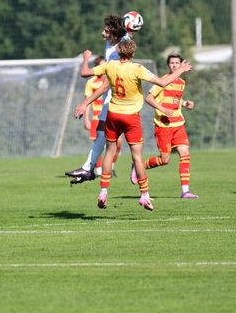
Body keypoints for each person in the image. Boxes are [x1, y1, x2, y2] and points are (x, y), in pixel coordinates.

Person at [75, 40, 192, 210]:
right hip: (131, 117)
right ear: (133, 53)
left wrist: (86, 57)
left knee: (109, 152)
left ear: (119, 52)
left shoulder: (110, 65)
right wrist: (181, 69)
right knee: (137, 157)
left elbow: (84, 73)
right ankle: (144, 195)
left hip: (113, 115)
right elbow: (162, 82)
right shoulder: (137, 68)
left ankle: (103, 192)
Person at [65, 14, 129, 184]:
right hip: (112, 98)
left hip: (115, 99)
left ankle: (135, 167)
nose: (103, 33)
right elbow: (124, 33)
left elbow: (101, 83)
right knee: (103, 135)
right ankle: (89, 168)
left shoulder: (116, 55)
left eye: (106, 31)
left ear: (114, 34)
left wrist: (86, 57)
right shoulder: (112, 43)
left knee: (121, 138)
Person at [135, 53, 199, 199]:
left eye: (177, 63)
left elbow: (175, 99)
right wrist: (163, 109)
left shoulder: (181, 82)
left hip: (178, 124)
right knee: (165, 160)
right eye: (172, 63)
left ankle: (185, 191)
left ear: (181, 64)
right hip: (163, 125)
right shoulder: (162, 80)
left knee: (185, 153)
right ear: (168, 65)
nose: (174, 65)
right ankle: (139, 166)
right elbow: (148, 98)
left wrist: (185, 103)